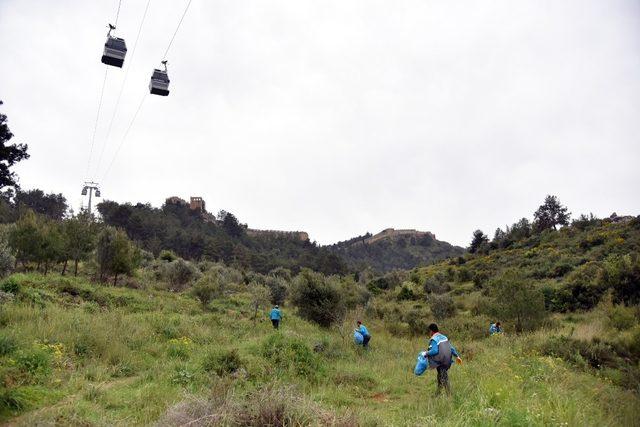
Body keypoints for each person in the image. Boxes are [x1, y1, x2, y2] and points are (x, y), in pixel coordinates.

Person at [426, 323, 461, 395]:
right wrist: (457, 356)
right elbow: (451, 348)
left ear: (431, 331)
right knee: (440, 375)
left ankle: (449, 395)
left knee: (444, 377)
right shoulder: (444, 337)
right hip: (448, 360)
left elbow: (434, 351)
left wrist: (426, 353)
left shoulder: (434, 339)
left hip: (441, 361)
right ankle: (438, 393)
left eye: (429, 331)